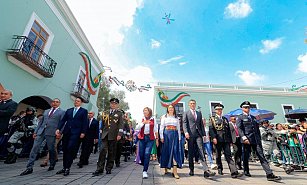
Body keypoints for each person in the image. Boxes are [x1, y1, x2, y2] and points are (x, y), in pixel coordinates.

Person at [236, 101, 281, 182]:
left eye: (248, 107)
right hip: (247, 140)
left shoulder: (253, 118)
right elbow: (239, 128)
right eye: (245, 107)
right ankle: (246, 170)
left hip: (256, 140)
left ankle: (269, 174)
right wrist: (244, 138)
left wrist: (259, 138)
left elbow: (256, 129)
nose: (247, 109)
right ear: (242, 108)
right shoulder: (240, 117)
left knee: (261, 156)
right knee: (246, 156)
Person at [20, 98, 65, 175]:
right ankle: (29, 167)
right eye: (53, 102)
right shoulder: (46, 111)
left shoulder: (62, 112)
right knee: (34, 148)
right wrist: (36, 132)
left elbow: (62, 123)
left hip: (52, 132)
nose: (54, 103)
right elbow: (41, 122)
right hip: (41, 132)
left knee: (51, 149)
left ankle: (52, 163)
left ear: (59, 103)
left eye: (57, 102)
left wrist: (59, 132)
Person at [55, 97, 88, 176]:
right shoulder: (69, 110)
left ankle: (67, 168)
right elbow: (63, 120)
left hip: (76, 133)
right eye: (75, 101)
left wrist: (83, 132)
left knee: (70, 148)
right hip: (67, 132)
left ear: (81, 103)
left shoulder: (83, 111)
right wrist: (58, 129)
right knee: (65, 149)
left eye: (78, 101)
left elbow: (85, 122)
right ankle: (64, 167)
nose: (76, 102)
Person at [183, 99, 215, 178]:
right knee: (191, 152)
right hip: (190, 135)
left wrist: (204, 134)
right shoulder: (186, 113)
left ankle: (206, 170)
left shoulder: (199, 113)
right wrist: (186, 132)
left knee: (201, 151)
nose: (192, 104)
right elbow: (184, 123)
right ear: (189, 105)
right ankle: (191, 169)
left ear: (195, 104)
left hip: (199, 134)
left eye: (194, 103)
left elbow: (201, 124)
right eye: (191, 103)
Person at [209, 103, 242, 178]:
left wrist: (230, 141)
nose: (219, 111)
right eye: (218, 109)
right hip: (218, 139)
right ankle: (220, 168)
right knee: (218, 155)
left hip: (226, 140)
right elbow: (211, 129)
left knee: (228, 155)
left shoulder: (225, 119)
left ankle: (234, 172)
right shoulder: (213, 118)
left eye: (221, 109)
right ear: (215, 110)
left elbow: (228, 131)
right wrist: (214, 137)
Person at [92, 98, 124, 176]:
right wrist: (101, 132)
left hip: (114, 135)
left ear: (117, 105)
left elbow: (121, 124)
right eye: (112, 103)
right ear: (110, 104)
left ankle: (109, 168)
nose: (113, 105)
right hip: (105, 135)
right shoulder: (105, 113)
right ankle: (99, 169)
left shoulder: (119, 114)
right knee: (102, 151)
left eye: (115, 103)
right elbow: (102, 123)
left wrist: (119, 134)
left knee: (111, 152)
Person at [160, 104, 182, 179]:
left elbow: (178, 128)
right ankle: (166, 168)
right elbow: (161, 127)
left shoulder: (176, 118)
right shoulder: (164, 117)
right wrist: (161, 137)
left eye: (172, 108)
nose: (171, 109)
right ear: (167, 109)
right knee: (166, 151)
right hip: (166, 134)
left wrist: (179, 138)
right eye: (169, 108)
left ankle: (175, 171)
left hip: (175, 135)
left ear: (174, 109)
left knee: (175, 151)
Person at [135, 107, 158, 179]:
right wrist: (143, 123)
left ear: (149, 112)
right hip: (142, 138)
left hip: (150, 138)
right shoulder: (141, 119)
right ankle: (144, 163)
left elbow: (155, 129)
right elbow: (137, 128)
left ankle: (145, 171)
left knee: (147, 153)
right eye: (144, 111)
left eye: (146, 111)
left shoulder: (153, 119)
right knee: (141, 154)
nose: (144, 112)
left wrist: (157, 139)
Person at [0, 90, 18, 158]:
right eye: (2, 93)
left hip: (1, 125)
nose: (3, 95)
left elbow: (8, 112)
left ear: (10, 95)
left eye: (5, 94)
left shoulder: (13, 103)